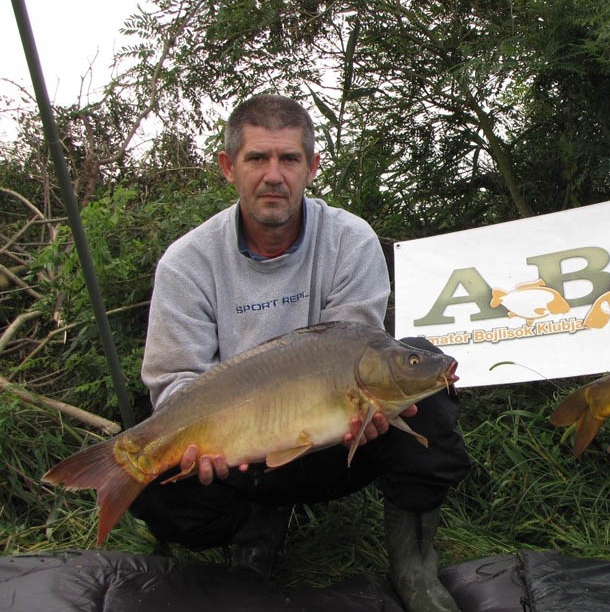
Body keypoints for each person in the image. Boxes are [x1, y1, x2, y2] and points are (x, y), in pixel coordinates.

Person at [129, 93, 470, 612]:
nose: (273, 175)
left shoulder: (350, 239)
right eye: (257, 158)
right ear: (228, 167)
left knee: (425, 385)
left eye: (288, 159)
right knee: (147, 468)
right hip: (239, 455)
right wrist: (203, 449)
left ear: (311, 167)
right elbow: (174, 381)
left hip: (337, 441)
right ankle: (255, 529)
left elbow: (356, 346)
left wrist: (371, 409)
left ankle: (414, 566)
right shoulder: (186, 263)